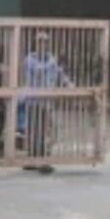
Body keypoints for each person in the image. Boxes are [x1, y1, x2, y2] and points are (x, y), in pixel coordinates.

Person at [19, 33, 73, 173]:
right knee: (33, 131)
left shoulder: (51, 60)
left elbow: (60, 74)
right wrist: (51, 64)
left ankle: (43, 161)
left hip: (46, 101)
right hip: (32, 100)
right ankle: (32, 159)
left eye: (45, 42)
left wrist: (70, 85)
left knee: (45, 131)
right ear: (36, 43)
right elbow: (37, 71)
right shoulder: (30, 59)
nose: (42, 44)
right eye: (40, 42)